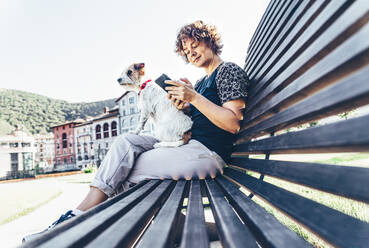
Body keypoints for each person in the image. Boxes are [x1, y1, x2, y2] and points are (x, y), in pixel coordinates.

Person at [23, 20, 250, 242]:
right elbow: (197, 117)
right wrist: (187, 104)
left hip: (207, 153)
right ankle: (80, 220)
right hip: (188, 146)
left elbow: (232, 123)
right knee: (126, 142)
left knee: (123, 171)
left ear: (209, 41)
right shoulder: (201, 81)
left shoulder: (227, 71)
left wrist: (194, 97)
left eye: (195, 45)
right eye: (187, 51)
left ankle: (75, 224)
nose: (191, 53)